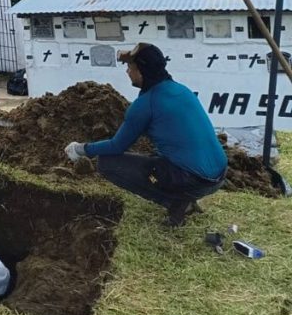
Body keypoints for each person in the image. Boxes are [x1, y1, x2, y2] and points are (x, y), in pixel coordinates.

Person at [64, 42, 228, 227]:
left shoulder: (145, 104)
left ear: (141, 70)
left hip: (195, 181)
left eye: (130, 67)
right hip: (219, 175)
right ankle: (185, 197)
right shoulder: (181, 90)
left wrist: (81, 149)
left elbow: (117, 146)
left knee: (107, 163)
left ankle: (177, 203)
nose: (127, 72)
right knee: (160, 157)